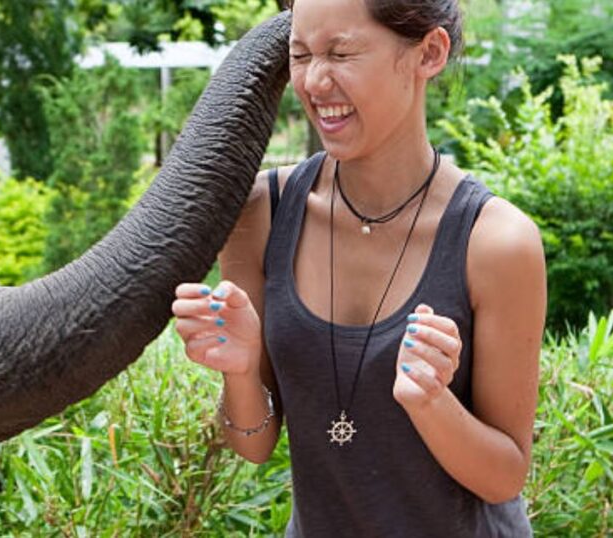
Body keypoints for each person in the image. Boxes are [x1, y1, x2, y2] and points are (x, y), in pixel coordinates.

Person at [171, 0, 546, 536]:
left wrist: (433, 403)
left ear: (429, 53)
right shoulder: (262, 212)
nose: (315, 81)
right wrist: (239, 369)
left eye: (341, 52)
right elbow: (253, 444)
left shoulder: (496, 243)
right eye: (300, 55)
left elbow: (505, 476)